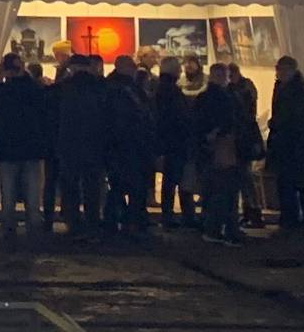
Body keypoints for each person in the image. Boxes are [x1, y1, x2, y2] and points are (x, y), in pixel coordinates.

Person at [0, 53, 53, 238]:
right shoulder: (34, 88)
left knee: (9, 191)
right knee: (32, 192)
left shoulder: (3, 89)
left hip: (8, 148)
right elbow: (43, 104)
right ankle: (34, 225)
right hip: (32, 147)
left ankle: (8, 226)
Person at [51, 54, 110, 238]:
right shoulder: (100, 88)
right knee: (92, 186)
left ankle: (73, 223)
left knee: (70, 187)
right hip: (94, 144)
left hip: (68, 144)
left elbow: (52, 115)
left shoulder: (63, 88)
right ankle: (93, 222)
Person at [189, 63, 249, 244]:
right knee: (225, 191)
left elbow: (197, 124)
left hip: (211, 149)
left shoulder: (205, 98)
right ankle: (223, 228)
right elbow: (232, 121)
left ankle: (214, 226)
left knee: (213, 191)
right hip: (223, 149)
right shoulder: (228, 97)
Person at [103, 56, 157, 232]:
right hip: (128, 145)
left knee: (119, 186)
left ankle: (120, 220)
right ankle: (132, 221)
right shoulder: (124, 89)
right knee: (131, 185)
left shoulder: (113, 87)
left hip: (120, 145)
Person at [267, 57, 304, 232]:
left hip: (293, 143)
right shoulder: (283, 87)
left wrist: (277, 123)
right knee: (286, 183)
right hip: (285, 142)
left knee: (292, 183)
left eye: (281, 70)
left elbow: (293, 116)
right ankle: (289, 217)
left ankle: (293, 218)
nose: (279, 73)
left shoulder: (296, 90)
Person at [154, 60, 197, 229]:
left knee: (170, 181)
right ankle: (176, 216)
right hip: (175, 142)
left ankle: (170, 215)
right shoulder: (171, 91)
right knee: (176, 179)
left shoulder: (161, 88)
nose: (181, 71)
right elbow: (176, 118)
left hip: (168, 142)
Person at [226, 61, 264, 228]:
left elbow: (246, 113)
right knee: (242, 177)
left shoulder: (241, 90)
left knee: (244, 177)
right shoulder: (242, 88)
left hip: (243, 138)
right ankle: (249, 212)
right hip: (241, 137)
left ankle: (253, 212)